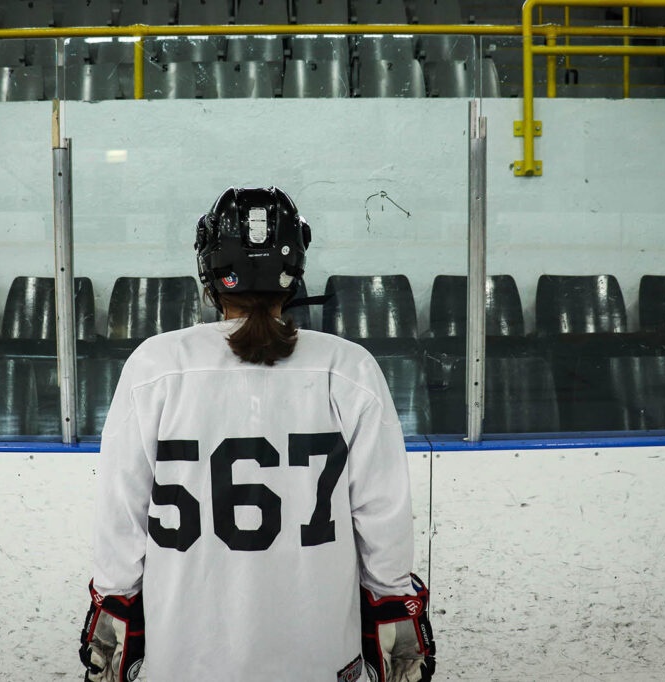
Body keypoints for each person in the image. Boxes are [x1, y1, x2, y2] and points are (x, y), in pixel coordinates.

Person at [79, 187, 436, 682]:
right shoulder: (348, 366)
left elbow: (122, 509)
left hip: (183, 654)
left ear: (208, 272)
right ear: (295, 273)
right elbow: (383, 513)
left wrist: (115, 597)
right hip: (321, 655)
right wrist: (392, 600)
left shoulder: (155, 365)